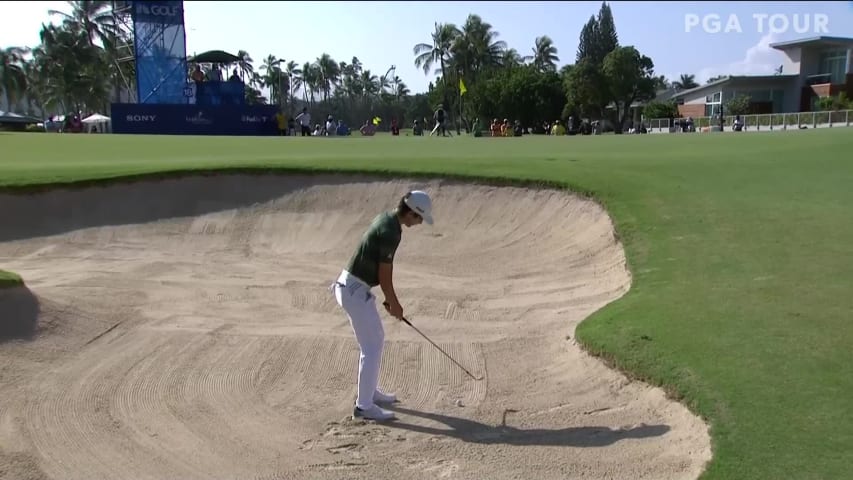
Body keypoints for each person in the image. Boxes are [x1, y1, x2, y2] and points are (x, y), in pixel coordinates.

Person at [331, 191, 434, 421]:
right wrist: (394, 303)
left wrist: (390, 301)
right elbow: (384, 275)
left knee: (375, 339)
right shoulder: (390, 232)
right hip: (354, 292)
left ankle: (369, 392)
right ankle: (364, 407)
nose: (419, 223)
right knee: (372, 346)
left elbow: (381, 272)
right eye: (419, 218)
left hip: (352, 288)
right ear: (411, 213)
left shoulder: (387, 220)